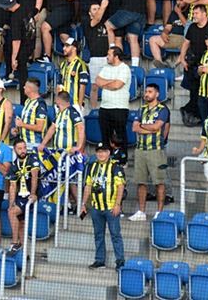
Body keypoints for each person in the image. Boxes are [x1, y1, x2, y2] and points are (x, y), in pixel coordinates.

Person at [82, 142, 126, 270]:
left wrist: (117, 204)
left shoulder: (115, 167)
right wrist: (83, 204)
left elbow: (121, 186)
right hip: (96, 207)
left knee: (115, 235)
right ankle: (100, 260)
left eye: (103, 151)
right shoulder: (92, 166)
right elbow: (88, 186)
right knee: (98, 235)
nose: (101, 154)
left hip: (111, 207)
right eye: (99, 151)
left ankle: (120, 261)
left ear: (108, 153)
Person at [129, 84, 169, 221]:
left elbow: (157, 127)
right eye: (146, 91)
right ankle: (141, 212)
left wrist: (142, 126)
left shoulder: (163, 109)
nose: (146, 94)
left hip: (156, 150)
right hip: (140, 149)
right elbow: (134, 128)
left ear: (157, 94)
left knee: (159, 182)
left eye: (150, 91)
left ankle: (159, 212)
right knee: (141, 182)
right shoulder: (142, 109)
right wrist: (148, 129)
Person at [95, 47, 131, 161]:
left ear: (116, 56)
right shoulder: (106, 67)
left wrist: (105, 83)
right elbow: (97, 81)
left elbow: (117, 85)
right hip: (104, 107)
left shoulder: (124, 68)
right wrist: (112, 81)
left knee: (120, 136)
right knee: (105, 136)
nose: (107, 57)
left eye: (109, 55)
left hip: (119, 107)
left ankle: (122, 160)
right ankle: (107, 160)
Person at [6, 139, 41, 254]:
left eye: (24, 148)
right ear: (15, 150)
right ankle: (24, 253)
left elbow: (35, 177)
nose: (23, 150)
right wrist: (11, 203)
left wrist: (33, 194)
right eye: (20, 148)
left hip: (31, 195)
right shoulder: (14, 165)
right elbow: (12, 186)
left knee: (12, 213)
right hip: (20, 196)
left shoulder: (32, 158)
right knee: (20, 222)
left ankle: (14, 242)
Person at [13, 78, 48, 149]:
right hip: (24, 143)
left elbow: (40, 127)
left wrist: (22, 124)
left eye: (25, 86)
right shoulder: (28, 101)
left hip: (34, 144)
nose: (23, 87)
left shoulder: (40, 104)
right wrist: (18, 130)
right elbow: (27, 121)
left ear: (30, 89)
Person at [58, 37, 89, 109]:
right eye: (64, 46)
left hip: (75, 104)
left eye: (67, 46)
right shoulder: (63, 64)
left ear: (74, 48)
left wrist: (79, 106)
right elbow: (59, 84)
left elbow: (82, 86)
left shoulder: (81, 64)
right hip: (63, 104)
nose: (64, 48)